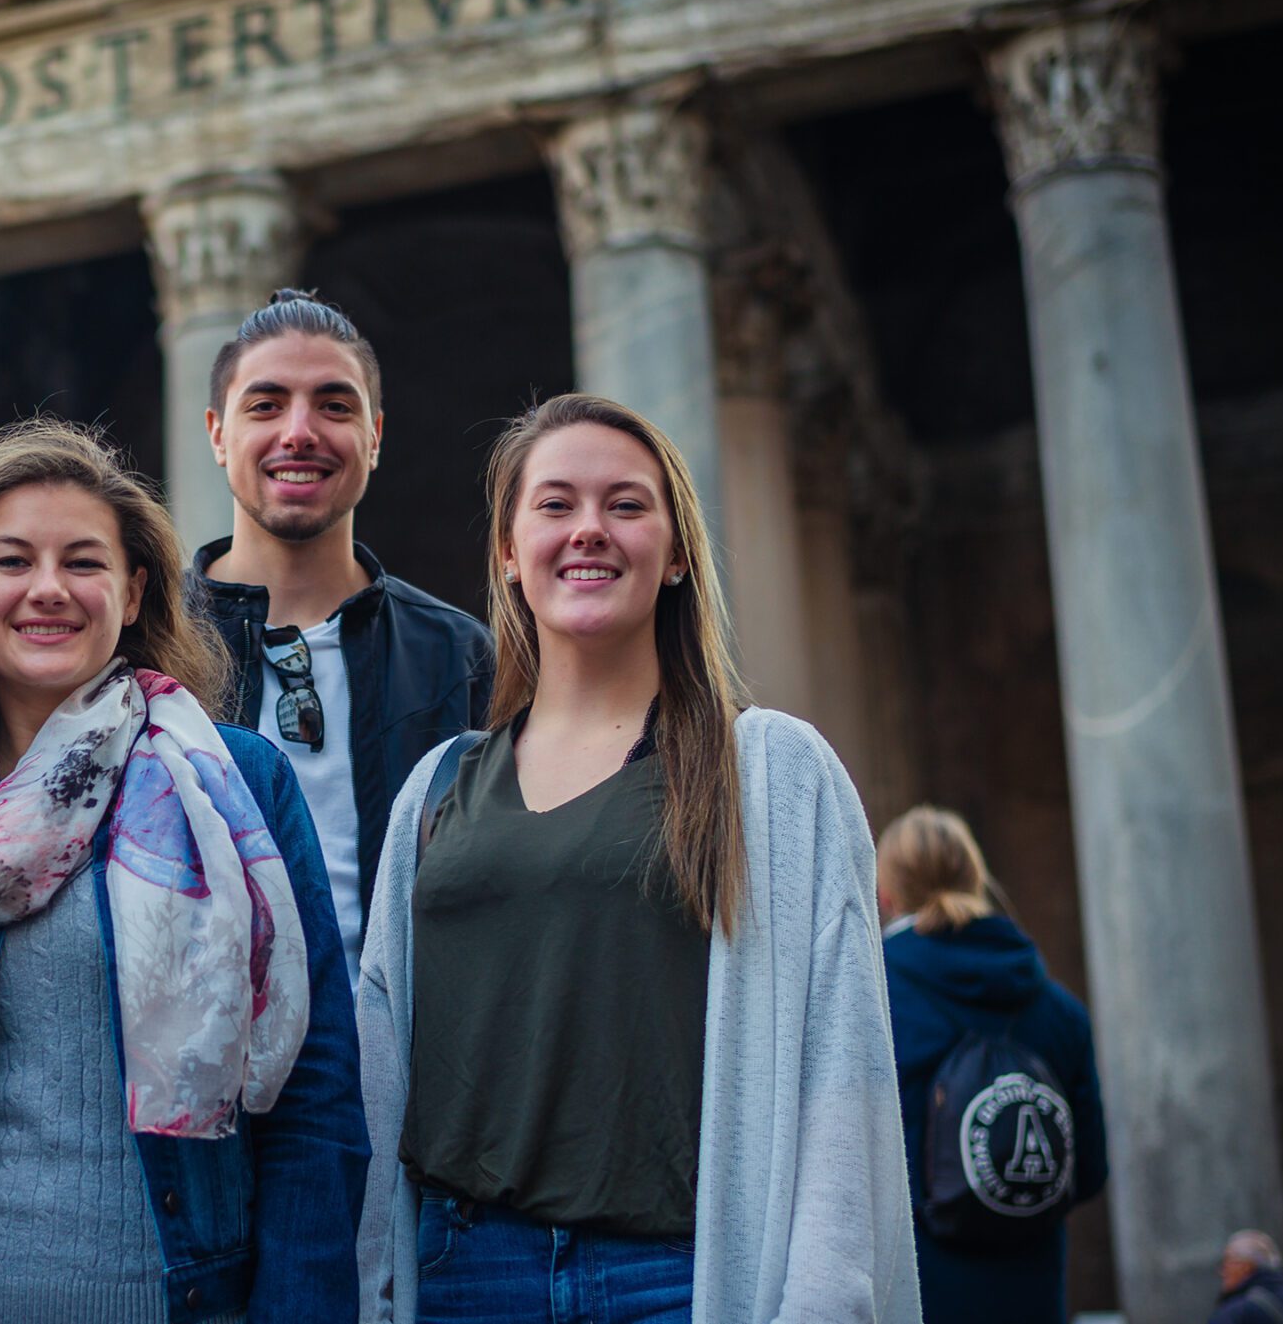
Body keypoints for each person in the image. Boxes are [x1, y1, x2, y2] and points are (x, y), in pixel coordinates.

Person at [356, 394, 920, 1324]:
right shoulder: (436, 788)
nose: (589, 529)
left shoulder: (768, 770)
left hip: (682, 1275)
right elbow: (383, 1066)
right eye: (555, 504)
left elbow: (842, 1065)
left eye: (625, 503)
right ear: (507, 551)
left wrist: (824, 1301)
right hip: (465, 1272)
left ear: (679, 550)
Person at [0, 420, 366, 1323]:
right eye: (12, 561)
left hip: (176, 1299)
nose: (48, 589)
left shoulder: (235, 783)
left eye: (82, 562)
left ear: (131, 593)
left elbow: (315, 1095)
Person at [189, 289, 492, 962]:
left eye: (334, 405)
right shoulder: (146, 646)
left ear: (374, 436)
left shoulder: (460, 656)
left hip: (415, 1060)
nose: (299, 431)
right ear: (217, 433)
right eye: (266, 405)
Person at [878, 805, 1108, 1324]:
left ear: (887, 895)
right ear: (977, 879)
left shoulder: (874, 998)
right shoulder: (1060, 1013)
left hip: (921, 1297)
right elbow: (1088, 1172)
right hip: (1033, 1295)